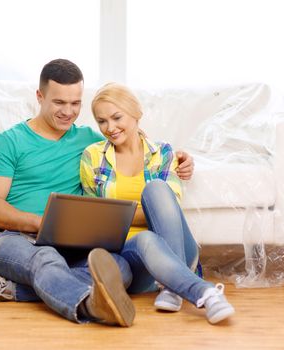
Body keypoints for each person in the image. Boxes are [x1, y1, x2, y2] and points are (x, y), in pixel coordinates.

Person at [0, 59, 194, 327]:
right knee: (45, 258)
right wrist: (42, 224)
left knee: (120, 269)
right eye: (59, 102)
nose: (68, 112)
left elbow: (132, 140)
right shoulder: (9, 142)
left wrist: (179, 159)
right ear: (40, 96)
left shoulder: (89, 140)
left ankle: (6, 290)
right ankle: (88, 303)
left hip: (68, 243)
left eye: (75, 103)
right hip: (9, 239)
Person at [80, 83, 235, 324]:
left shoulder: (163, 153)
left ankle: (173, 287)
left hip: (178, 249)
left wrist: (117, 215)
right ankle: (202, 292)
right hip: (130, 256)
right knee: (145, 239)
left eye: (116, 117)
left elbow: (166, 211)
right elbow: (93, 218)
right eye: (101, 121)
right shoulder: (92, 156)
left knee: (156, 190)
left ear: (135, 113)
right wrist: (139, 216)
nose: (110, 128)